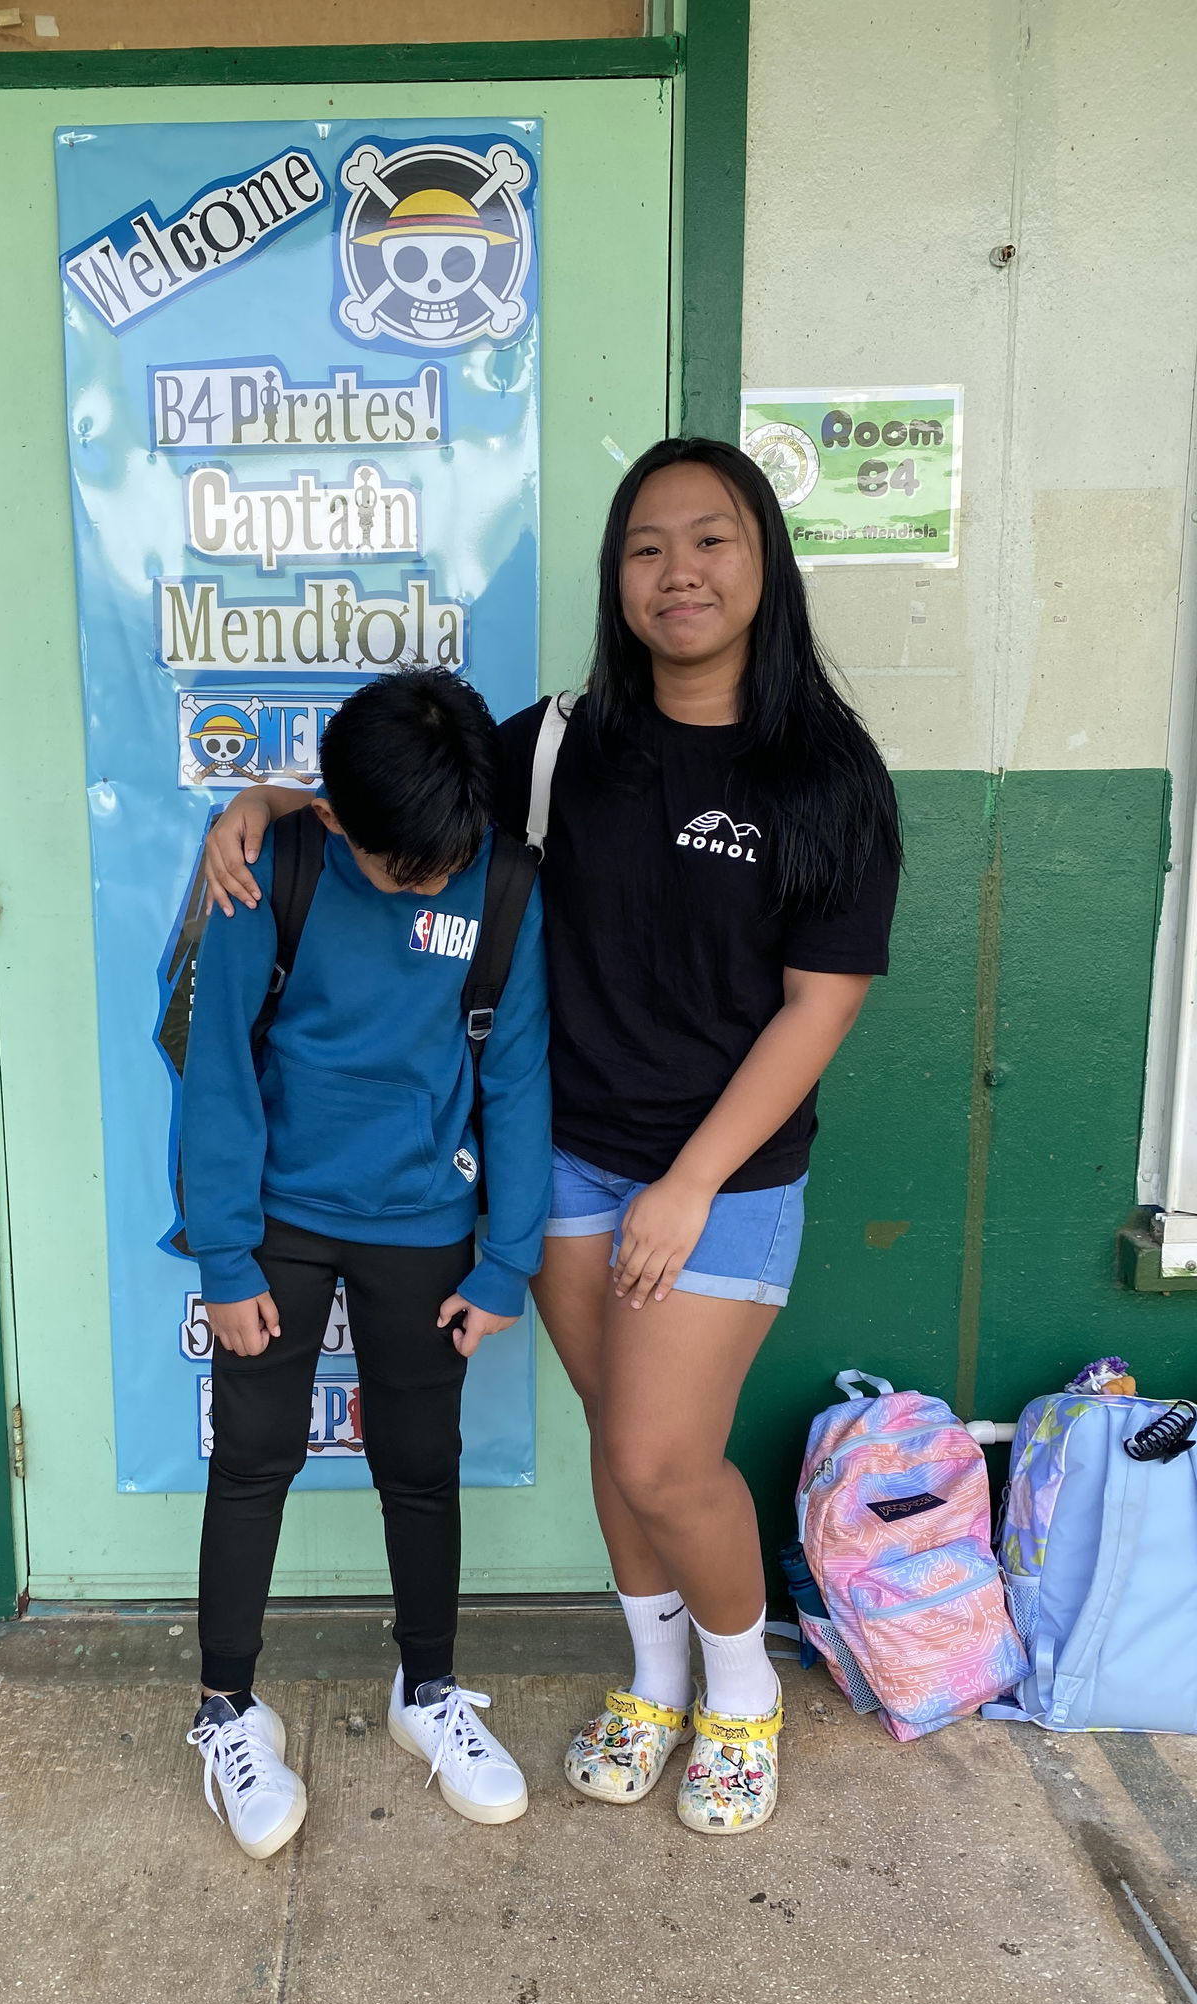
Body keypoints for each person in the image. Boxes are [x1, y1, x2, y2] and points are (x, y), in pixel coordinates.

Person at [203, 438, 901, 1837]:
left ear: (765, 560)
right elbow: (398, 796)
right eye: (647, 547)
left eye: (711, 540)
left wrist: (690, 1184)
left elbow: (821, 1007)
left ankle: (741, 1690)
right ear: (616, 577)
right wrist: (269, 799)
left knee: (661, 1454)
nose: (679, 572)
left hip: (723, 1177)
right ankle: (651, 1684)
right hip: (572, 1154)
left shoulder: (827, 776)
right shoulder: (567, 741)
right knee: (615, 1432)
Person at [181, 667, 551, 1859]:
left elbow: (516, 1077)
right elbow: (221, 1074)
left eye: (452, 857)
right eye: (411, 870)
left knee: (419, 1463)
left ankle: (427, 1694)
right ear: (336, 817)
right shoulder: (269, 867)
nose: (435, 881)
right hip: (281, 1220)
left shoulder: (500, 882)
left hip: (422, 1226)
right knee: (251, 1461)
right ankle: (227, 1710)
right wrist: (226, 1258)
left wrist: (506, 1264)